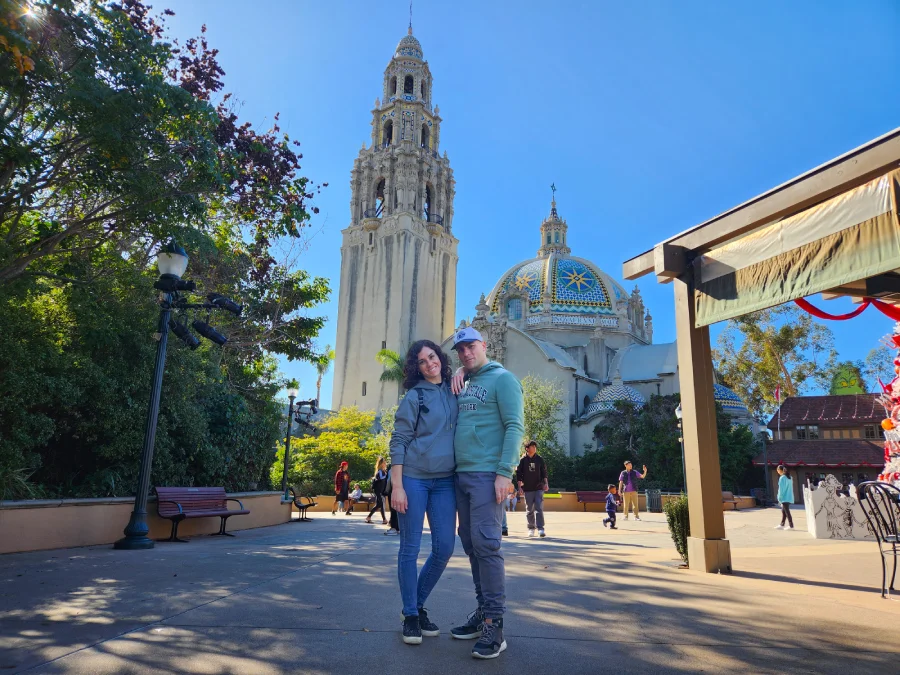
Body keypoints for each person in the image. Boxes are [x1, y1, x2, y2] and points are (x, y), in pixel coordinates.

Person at [449, 326, 524, 660]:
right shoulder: (465, 381)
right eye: (460, 350)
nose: (465, 353)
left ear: (484, 345)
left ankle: (496, 623)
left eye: (470, 347)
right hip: (461, 475)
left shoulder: (503, 379)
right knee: (471, 544)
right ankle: (483, 614)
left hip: (486, 474)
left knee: (487, 544)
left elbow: (514, 426)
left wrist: (504, 473)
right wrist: (459, 372)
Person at [389, 340, 458, 645]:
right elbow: (399, 441)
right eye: (422, 361)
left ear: (440, 357)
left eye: (432, 356)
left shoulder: (457, 388)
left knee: (444, 547)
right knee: (410, 548)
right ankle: (412, 615)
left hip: (445, 481)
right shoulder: (415, 395)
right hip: (414, 479)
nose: (429, 363)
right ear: (416, 367)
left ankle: (414, 605)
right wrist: (398, 486)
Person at [516, 440, 548, 538]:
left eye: (535, 446)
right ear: (527, 449)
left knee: (539, 508)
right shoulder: (522, 460)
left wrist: (546, 483)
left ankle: (541, 529)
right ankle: (531, 528)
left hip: (538, 487)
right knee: (529, 509)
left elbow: (544, 472)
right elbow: (518, 475)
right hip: (528, 488)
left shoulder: (539, 459)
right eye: (532, 447)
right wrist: (519, 487)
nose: (534, 448)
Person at [366, 457, 389, 525]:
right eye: (384, 462)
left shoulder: (383, 471)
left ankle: (371, 517)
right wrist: (387, 475)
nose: (385, 464)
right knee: (380, 504)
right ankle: (382, 519)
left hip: (381, 491)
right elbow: (381, 479)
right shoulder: (380, 471)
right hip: (378, 491)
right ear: (381, 464)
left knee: (379, 505)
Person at [775, 465, 795, 530]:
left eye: (777, 470)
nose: (777, 472)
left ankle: (791, 525)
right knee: (784, 511)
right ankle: (782, 524)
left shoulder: (782, 478)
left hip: (784, 497)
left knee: (786, 512)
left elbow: (781, 489)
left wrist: (779, 498)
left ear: (779, 470)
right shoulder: (790, 477)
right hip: (789, 497)